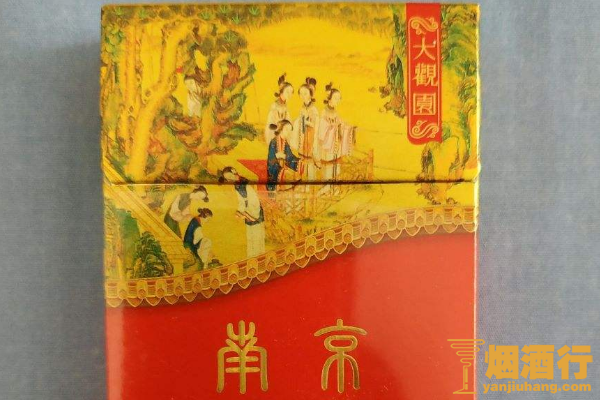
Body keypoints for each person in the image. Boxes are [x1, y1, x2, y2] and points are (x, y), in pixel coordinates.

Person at [220, 167, 266, 258]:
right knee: (250, 237)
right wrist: (239, 212)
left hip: (254, 211)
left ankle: (259, 257)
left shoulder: (245, 183)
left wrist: (248, 213)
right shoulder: (236, 185)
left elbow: (254, 200)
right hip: (248, 211)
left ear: (234, 173)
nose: (229, 179)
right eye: (227, 178)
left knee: (257, 236)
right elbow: (241, 201)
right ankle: (251, 257)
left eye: (229, 176)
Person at [318, 83, 356, 190]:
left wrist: (349, 128)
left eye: (339, 98)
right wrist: (334, 128)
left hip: (335, 145)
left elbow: (340, 124)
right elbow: (322, 129)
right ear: (329, 98)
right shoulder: (324, 112)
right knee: (328, 169)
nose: (338, 100)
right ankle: (326, 190)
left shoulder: (336, 113)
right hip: (328, 146)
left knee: (336, 168)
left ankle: (334, 189)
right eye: (336, 98)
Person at [291, 77, 320, 181]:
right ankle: (300, 180)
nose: (303, 96)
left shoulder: (314, 109)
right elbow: (301, 122)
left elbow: (315, 125)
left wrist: (306, 122)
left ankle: (310, 183)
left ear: (310, 94)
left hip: (311, 137)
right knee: (302, 160)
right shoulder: (302, 108)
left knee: (310, 163)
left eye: (305, 93)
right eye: (301, 94)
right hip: (303, 137)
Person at [267, 120, 301, 192]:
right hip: (275, 171)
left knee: (297, 176)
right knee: (292, 177)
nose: (289, 132)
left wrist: (299, 161)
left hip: (284, 168)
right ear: (281, 129)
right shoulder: (273, 142)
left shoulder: (285, 143)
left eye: (290, 130)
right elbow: (271, 161)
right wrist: (277, 157)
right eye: (287, 129)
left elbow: (290, 157)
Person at [264, 73, 293, 143]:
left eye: (291, 92)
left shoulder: (285, 106)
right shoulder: (275, 106)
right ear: (281, 92)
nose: (290, 95)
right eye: (287, 92)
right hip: (274, 133)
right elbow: (271, 124)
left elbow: (289, 121)